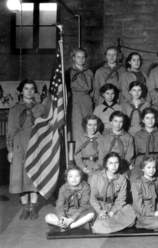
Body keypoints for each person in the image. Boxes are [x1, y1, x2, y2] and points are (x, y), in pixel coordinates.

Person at [7, 79, 44, 220]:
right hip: (19, 145)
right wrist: (10, 150)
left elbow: (45, 128)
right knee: (20, 176)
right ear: (21, 91)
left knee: (34, 176)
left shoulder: (40, 107)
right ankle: (24, 208)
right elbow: (10, 131)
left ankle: (33, 207)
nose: (29, 91)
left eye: (32, 89)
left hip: (36, 143)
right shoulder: (14, 109)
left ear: (35, 91)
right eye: (26, 88)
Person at [90, 152, 136, 234]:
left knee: (131, 213)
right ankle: (105, 223)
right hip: (99, 205)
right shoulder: (96, 177)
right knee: (96, 220)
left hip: (114, 206)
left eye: (116, 163)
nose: (114, 166)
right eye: (110, 163)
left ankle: (108, 223)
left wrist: (111, 213)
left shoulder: (122, 179)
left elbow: (121, 199)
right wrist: (99, 211)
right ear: (106, 164)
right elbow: (92, 198)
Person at [131, 156, 158, 231]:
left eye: (154, 167)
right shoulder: (137, 183)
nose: (151, 170)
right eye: (148, 167)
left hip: (157, 210)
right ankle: (141, 224)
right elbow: (138, 206)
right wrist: (154, 214)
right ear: (143, 168)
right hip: (145, 214)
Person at [45, 166, 95, 232]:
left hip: (80, 213)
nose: (74, 179)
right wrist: (62, 218)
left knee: (92, 213)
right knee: (48, 217)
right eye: (70, 176)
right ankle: (68, 225)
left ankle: (69, 227)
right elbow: (60, 205)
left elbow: (84, 206)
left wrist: (71, 219)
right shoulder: (63, 188)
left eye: (77, 176)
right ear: (66, 178)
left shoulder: (86, 187)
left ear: (81, 177)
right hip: (66, 212)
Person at [65, 48, 94, 141]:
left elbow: (93, 88)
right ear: (73, 58)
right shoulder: (69, 72)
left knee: (88, 124)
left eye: (83, 57)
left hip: (87, 100)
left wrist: (92, 100)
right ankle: (76, 153)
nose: (81, 59)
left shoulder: (89, 72)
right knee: (77, 127)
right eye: (78, 57)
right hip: (75, 101)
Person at [131, 107, 158, 179]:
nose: (150, 121)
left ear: (155, 119)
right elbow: (134, 153)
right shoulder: (138, 135)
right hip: (141, 161)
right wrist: (132, 163)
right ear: (143, 120)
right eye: (147, 118)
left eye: (152, 118)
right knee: (136, 176)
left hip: (157, 162)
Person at [74, 115, 103, 182]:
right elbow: (77, 156)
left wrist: (96, 167)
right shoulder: (80, 139)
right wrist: (83, 168)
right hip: (84, 166)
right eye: (90, 125)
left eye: (95, 125)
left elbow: (103, 155)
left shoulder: (102, 138)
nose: (92, 128)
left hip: (98, 165)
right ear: (85, 125)